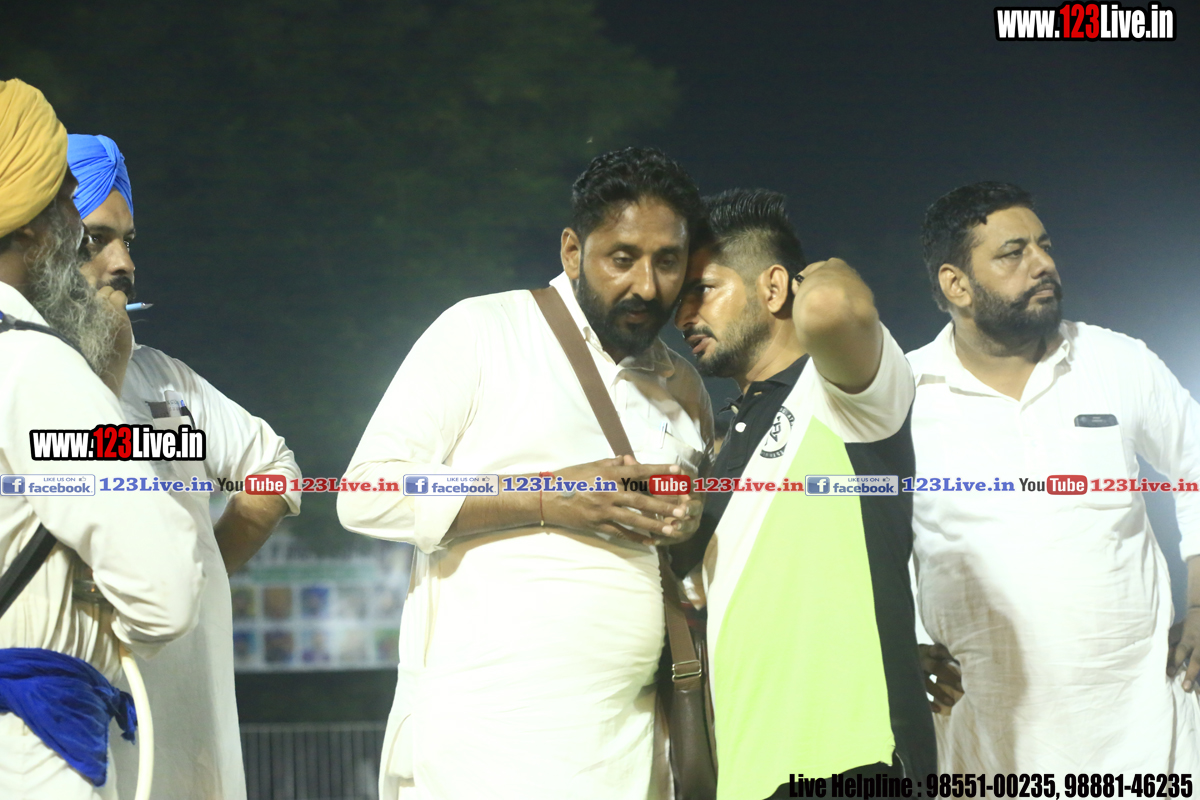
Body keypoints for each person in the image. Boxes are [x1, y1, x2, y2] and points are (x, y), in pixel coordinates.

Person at [338, 146, 712, 800]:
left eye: (667, 261)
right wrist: (547, 498)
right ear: (572, 252)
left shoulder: (683, 386)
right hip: (490, 750)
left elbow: (690, 563)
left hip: (632, 751)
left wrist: (688, 523)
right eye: (622, 258)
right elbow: (367, 492)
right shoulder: (484, 330)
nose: (647, 286)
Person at [908, 181, 1200, 775]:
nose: (1042, 264)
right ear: (956, 284)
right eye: (1013, 253)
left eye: (1044, 245)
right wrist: (893, 644)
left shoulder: (1116, 362)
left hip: (1141, 733)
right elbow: (861, 533)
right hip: (986, 743)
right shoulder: (905, 394)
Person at [673, 189, 933, 799]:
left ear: (773, 288)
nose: (683, 315)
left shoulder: (839, 391)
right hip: (748, 775)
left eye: (702, 289)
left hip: (856, 762)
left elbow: (834, 306)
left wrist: (821, 270)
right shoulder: (717, 439)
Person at [65, 132, 303, 800]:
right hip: (66, 732)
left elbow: (273, 469)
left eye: (128, 241)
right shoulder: (17, 376)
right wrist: (105, 377)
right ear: (36, 244)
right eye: (94, 240)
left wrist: (194, 577)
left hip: (191, 733)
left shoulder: (165, 380)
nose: (123, 264)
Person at [0, 78, 203, 799]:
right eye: (66, 206)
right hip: (29, 748)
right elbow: (163, 590)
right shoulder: (33, 364)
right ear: (32, 224)